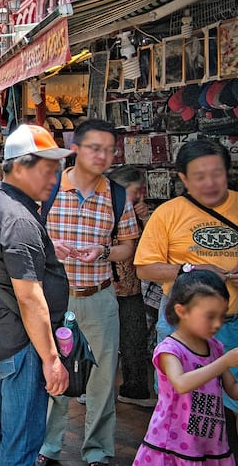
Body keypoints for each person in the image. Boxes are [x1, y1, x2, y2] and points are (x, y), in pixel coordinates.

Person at [38, 119, 141, 466]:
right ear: (76, 149)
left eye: (109, 150)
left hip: (99, 297)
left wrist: (104, 252)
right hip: (55, 298)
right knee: (54, 371)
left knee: (101, 379)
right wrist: (52, 247)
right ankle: (48, 447)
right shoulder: (48, 188)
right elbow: (27, 239)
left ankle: (97, 450)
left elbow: (128, 246)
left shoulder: (116, 195)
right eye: (95, 147)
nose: (103, 156)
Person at [0, 124, 71, 466]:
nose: (53, 179)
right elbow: (30, 298)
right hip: (23, 346)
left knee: (0, 428)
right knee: (22, 440)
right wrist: (51, 359)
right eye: (47, 170)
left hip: (5, 340)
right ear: (19, 166)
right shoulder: (18, 219)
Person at [135, 139, 238, 457]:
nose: (209, 182)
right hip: (185, 332)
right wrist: (190, 268)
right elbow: (144, 268)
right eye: (199, 175)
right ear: (183, 178)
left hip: (235, 323)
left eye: (216, 173)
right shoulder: (168, 214)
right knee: (189, 413)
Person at [134, 270, 238, 464]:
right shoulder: (170, 350)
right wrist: (225, 361)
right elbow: (181, 383)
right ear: (182, 311)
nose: (217, 324)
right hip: (173, 444)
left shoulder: (215, 347)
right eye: (209, 316)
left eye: (221, 316)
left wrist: (223, 361)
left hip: (210, 444)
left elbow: (232, 388)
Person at [107, 165, 156, 408]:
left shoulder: (143, 214)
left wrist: (146, 217)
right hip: (105, 286)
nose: (139, 196)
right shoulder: (105, 211)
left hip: (133, 289)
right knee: (102, 342)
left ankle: (135, 389)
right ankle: (90, 388)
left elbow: (156, 245)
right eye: (134, 192)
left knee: (133, 340)